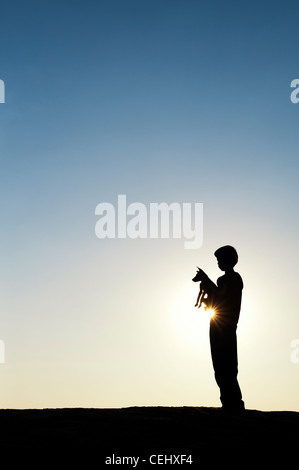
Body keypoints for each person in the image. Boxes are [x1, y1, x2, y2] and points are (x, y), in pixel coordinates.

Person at [192, 245, 245, 412]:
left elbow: (222, 298)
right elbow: (217, 299)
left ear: (231, 260)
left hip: (226, 327)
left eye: (221, 260)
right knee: (219, 366)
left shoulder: (233, 279)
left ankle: (234, 404)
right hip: (216, 324)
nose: (219, 263)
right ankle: (228, 402)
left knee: (226, 365)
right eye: (218, 260)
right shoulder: (223, 281)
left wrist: (207, 280)